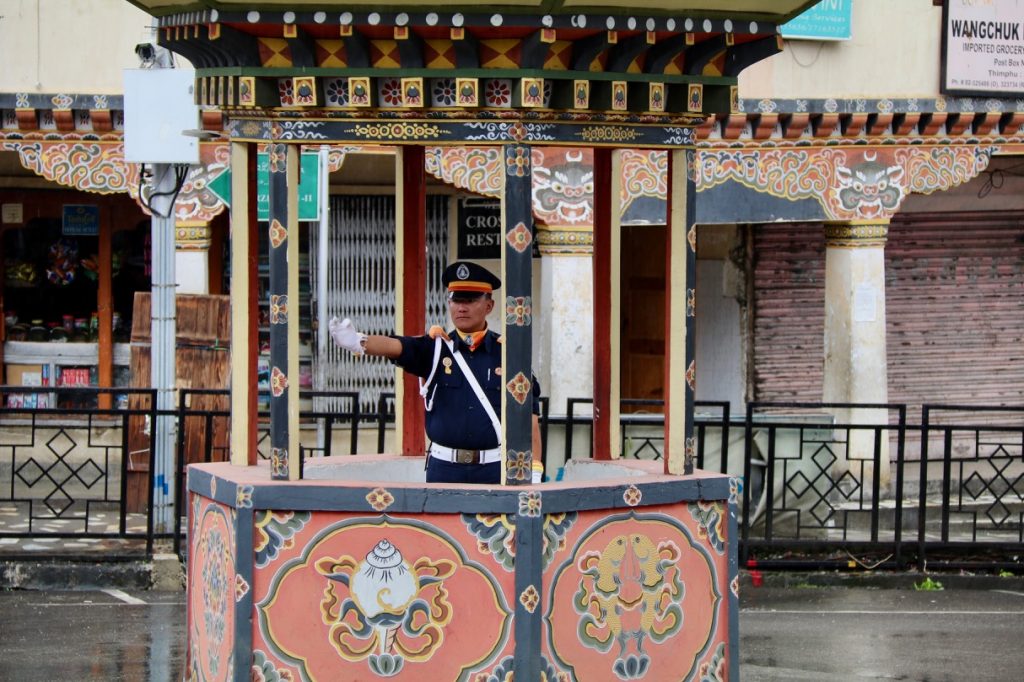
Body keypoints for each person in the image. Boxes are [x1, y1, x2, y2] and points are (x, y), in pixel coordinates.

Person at [329, 261, 542, 485]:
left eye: (470, 300)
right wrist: (358, 341)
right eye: (456, 300)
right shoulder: (436, 348)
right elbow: (398, 346)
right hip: (444, 470)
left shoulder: (509, 354)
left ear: (488, 306)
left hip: (495, 469)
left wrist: (534, 471)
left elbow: (530, 421)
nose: (462, 307)